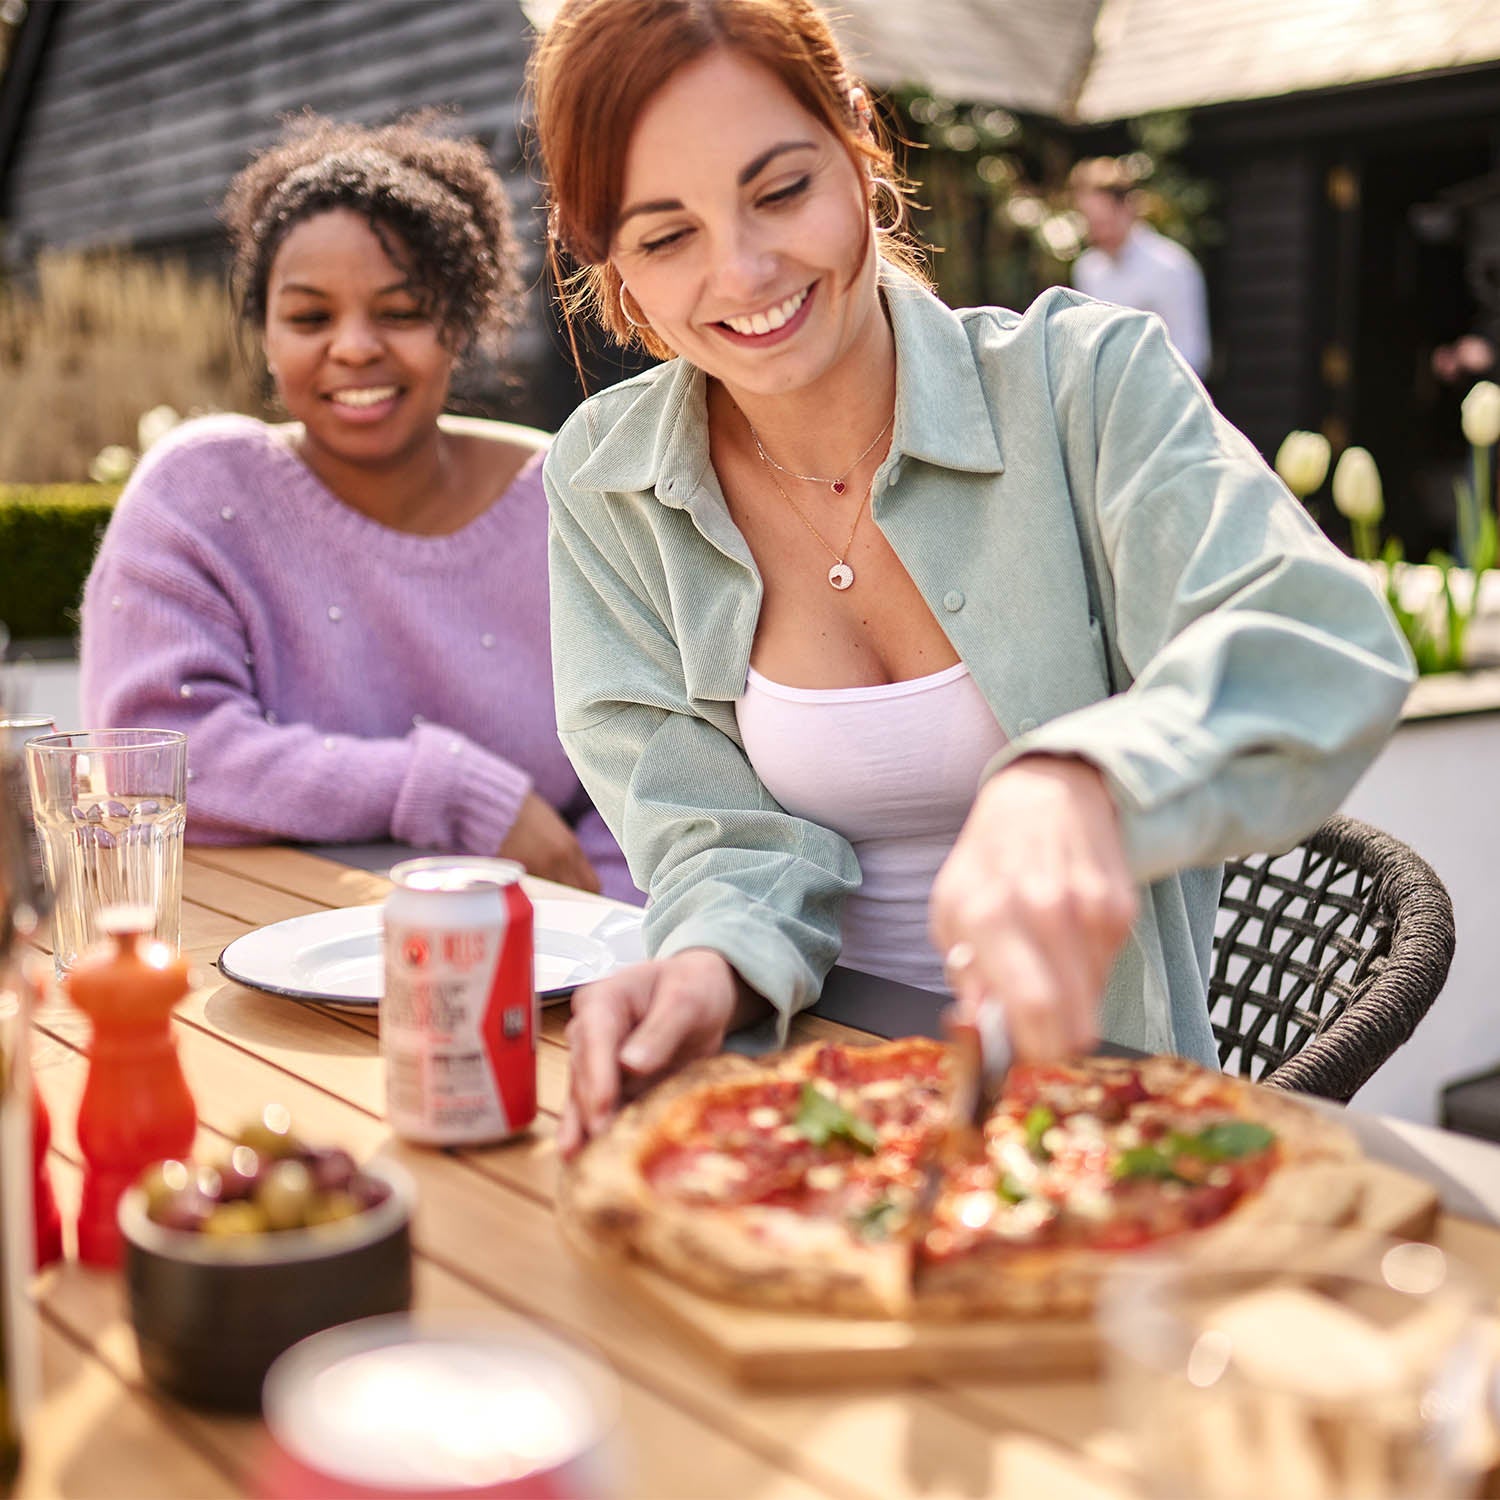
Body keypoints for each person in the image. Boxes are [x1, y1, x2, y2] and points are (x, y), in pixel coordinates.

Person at [528, 0, 1413, 1152]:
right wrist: (705, 963)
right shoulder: (607, 486)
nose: (742, 269)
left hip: (1107, 1123)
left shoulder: (1086, 384)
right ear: (612, 266)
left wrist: (1081, 780)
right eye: (665, 235)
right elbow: (711, 838)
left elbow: (1318, 642)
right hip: (799, 1120)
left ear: (858, 145)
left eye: (781, 189)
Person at [80, 114, 638, 903]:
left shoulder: (570, 499)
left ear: (464, 323)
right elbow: (161, 756)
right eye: (310, 317)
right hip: (255, 959)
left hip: (546, 963)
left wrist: (592, 938)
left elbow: (651, 780)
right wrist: (448, 789)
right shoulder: (198, 495)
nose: (353, 347)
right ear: (267, 334)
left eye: (401, 311)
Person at [1069, 156, 1212, 379]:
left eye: (1105, 222)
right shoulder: (1087, 269)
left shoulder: (1172, 267)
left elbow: (1193, 354)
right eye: (1092, 223)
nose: (1100, 233)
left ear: (1128, 208)